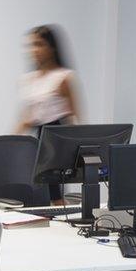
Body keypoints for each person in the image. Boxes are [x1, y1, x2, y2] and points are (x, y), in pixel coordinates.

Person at [15, 24, 81, 205]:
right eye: (30, 45)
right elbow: (27, 117)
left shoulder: (64, 77)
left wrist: (74, 154)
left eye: (39, 44)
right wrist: (10, 144)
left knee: (55, 198)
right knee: (30, 194)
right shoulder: (29, 79)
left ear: (51, 47)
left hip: (56, 144)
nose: (33, 50)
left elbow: (74, 118)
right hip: (35, 142)